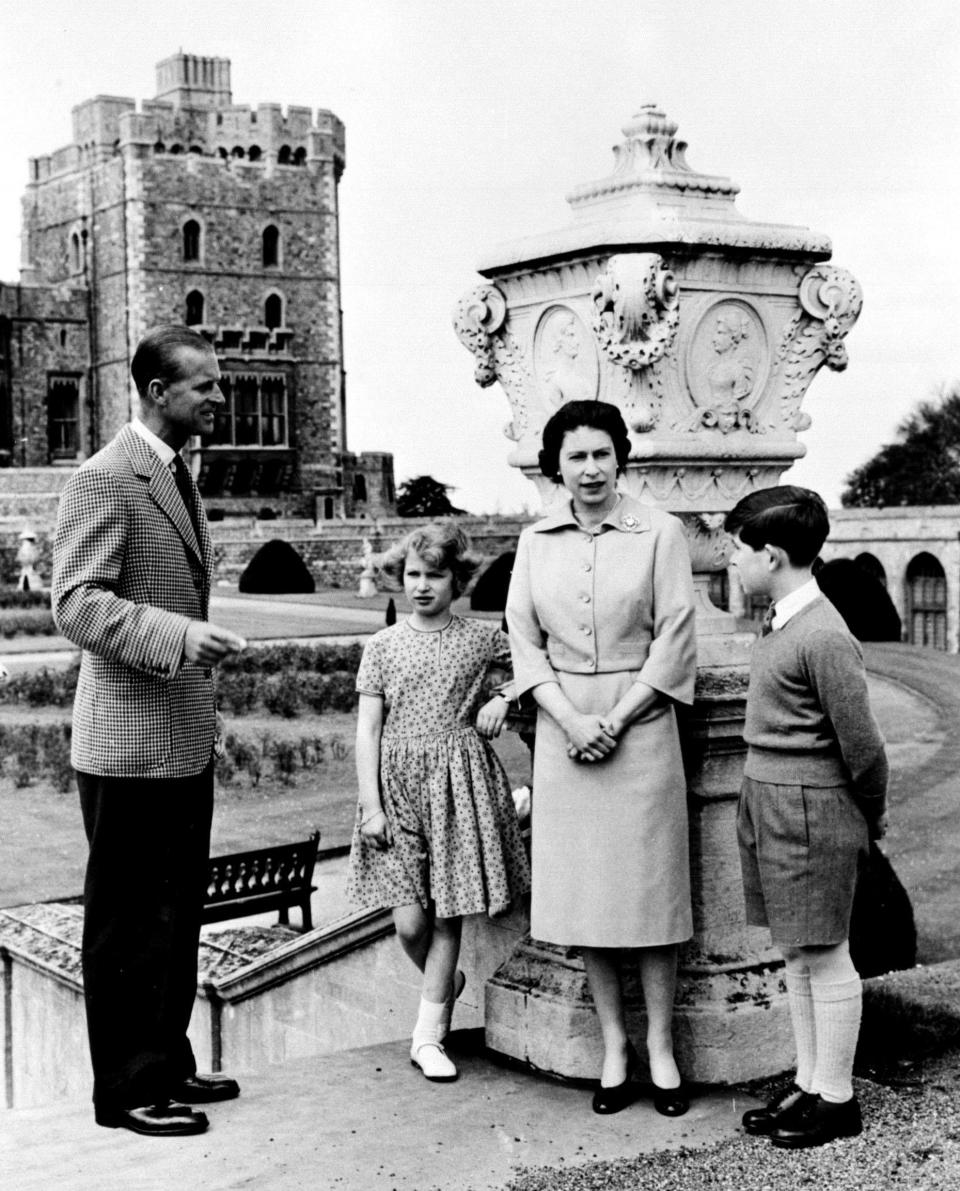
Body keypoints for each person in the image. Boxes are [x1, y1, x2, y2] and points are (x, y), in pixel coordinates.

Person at [52, 326, 246, 1137]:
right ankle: (127, 1090)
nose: (220, 398)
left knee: (176, 915)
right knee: (130, 923)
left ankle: (166, 1061)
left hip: (177, 742)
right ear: (157, 392)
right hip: (127, 749)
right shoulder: (105, 478)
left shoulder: (171, 474)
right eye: (204, 386)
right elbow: (76, 601)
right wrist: (176, 635)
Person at [505, 399, 696, 1116]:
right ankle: (615, 1047)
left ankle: (663, 1050)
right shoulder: (534, 541)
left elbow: (676, 638)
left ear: (622, 456)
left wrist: (613, 718)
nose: (590, 469)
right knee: (587, 899)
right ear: (556, 464)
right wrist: (568, 719)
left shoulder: (661, 532)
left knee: (650, 895)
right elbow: (524, 641)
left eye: (601, 453)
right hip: (564, 737)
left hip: (640, 732)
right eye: (576, 456)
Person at [725, 485, 888, 1149]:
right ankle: (812, 1081)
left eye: (737, 551)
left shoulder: (823, 634)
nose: (731, 563)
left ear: (770, 556)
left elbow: (866, 750)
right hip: (772, 802)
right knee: (797, 948)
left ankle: (838, 1100)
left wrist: (866, 822)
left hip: (812, 811)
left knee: (825, 953)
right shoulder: (784, 620)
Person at [346, 521, 530, 1082]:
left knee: (448, 914)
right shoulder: (382, 646)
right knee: (408, 922)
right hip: (397, 785)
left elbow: (535, 662)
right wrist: (371, 805)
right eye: (413, 575)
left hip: (457, 782)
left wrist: (503, 695)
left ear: (458, 580)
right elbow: (368, 732)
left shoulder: (479, 639)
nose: (423, 585)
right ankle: (443, 985)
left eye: (436, 575)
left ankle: (429, 1037)